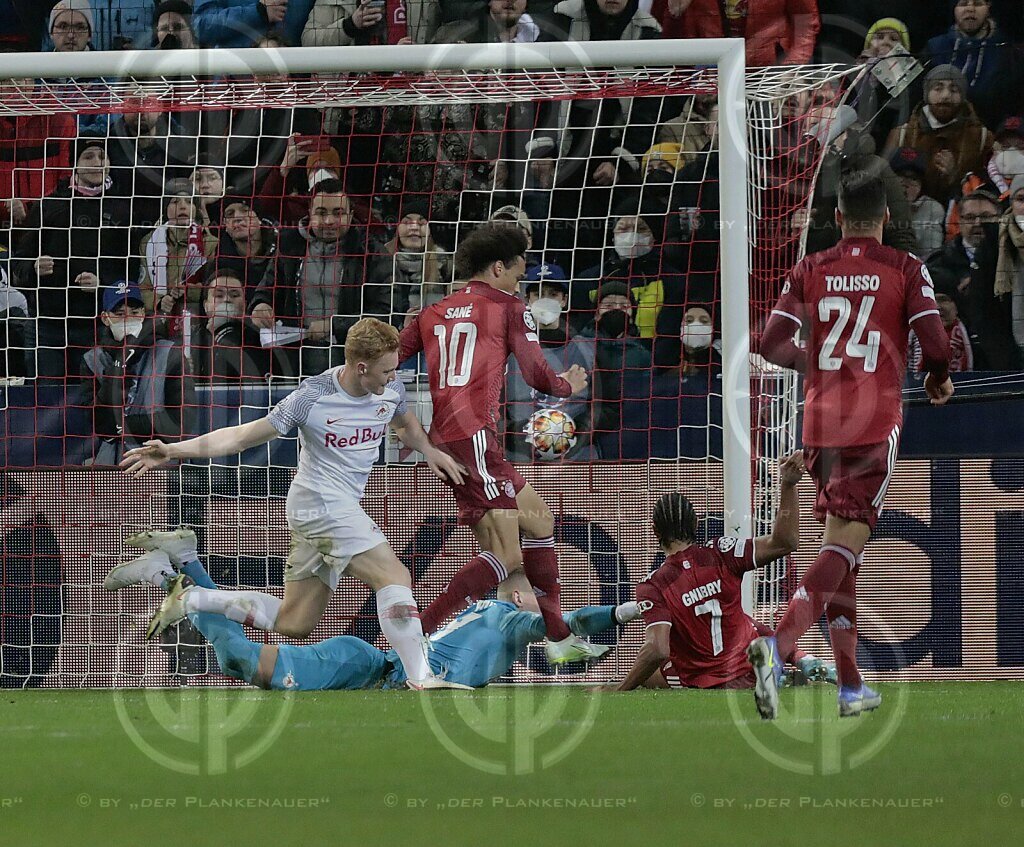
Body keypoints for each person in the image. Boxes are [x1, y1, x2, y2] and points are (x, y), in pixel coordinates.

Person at [119, 318, 470, 690]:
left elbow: (405, 424)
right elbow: (242, 436)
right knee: (395, 577)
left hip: (332, 509)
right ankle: (421, 677)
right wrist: (173, 449)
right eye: (385, 370)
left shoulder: (391, 386)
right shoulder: (312, 397)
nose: (393, 377)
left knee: (295, 621)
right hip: (319, 502)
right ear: (360, 366)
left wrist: (429, 450)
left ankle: (192, 598)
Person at [755, 170, 953, 719]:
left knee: (846, 560)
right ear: (887, 216)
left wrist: (816, 363)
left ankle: (849, 685)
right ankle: (776, 648)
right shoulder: (905, 268)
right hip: (872, 423)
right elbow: (936, 344)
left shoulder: (810, 267)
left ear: (837, 217)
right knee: (840, 549)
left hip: (818, 426)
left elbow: (771, 343)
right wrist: (937, 378)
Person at [398, 223, 605, 664]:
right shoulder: (510, 307)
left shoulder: (432, 312)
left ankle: (558, 637)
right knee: (507, 556)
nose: (520, 281)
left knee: (541, 522)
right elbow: (536, 373)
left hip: (450, 437)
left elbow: (389, 358)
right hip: (475, 437)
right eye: (518, 271)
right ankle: (414, 637)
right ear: (498, 267)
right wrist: (566, 385)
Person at [106, 535, 640, 690]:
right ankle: (181, 575)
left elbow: (568, 627)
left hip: (371, 668)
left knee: (242, 661)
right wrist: (621, 611)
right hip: (376, 671)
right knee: (246, 661)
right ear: (521, 595)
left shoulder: (486, 612)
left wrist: (614, 615)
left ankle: (181, 564)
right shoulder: (509, 618)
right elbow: (572, 625)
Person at [612, 454, 834, 690]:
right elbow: (785, 542)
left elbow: (657, 650)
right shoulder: (722, 551)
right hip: (747, 666)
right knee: (746, 623)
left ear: (655, 531)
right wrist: (788, 485)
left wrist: (618, 688)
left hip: (708, 683)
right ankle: (800, 660)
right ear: (696, 523)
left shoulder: (653, 585)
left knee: (648, 673)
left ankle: (790, 667)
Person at [10, 137, 133, 379]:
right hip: (47, 327)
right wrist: (33, 267)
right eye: (88, 156)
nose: (97, 162)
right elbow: (18, 262)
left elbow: (131, 270)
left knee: (93, 405)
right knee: (45, 402)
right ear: (73, 164)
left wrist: (103, 285)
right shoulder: (49, 206)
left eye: (102, 155)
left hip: (98, 326)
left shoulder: (123, 208)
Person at [249, 179, 392, 374]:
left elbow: (386, 313)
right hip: (296, 366)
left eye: (338, 213)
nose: (329, 221)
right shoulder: (289, 246)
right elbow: (267, 289)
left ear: (351, 216)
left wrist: (333, 326)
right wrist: (261, 305)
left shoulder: (372, 253)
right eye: (321, 212)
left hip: (356, 367)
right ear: (310, 213)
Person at [80, 281, 196, 464]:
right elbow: (98, 422)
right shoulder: (92, 360)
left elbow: (181, 420)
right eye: (119, 314)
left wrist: (121, 426)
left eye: (134, 312)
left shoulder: (171, 353)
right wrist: (120, 363)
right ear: (105, 318)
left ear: (143, 314)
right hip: (113, 462)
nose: (128, 319)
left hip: (163, 460)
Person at [884, 65, 993, 207]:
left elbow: (987, 191)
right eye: (938, 88)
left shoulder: (981, 138)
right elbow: (883, 182)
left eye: (954, 89)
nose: (946, 95)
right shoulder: (902, 134)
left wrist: (956, 176)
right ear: (926, 93)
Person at [924, 0, 1023, 130]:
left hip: (992, 136)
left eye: (977, 3)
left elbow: (1015, 104)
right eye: (963, 4)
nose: (970, 9)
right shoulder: (934, 47)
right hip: (936, 135)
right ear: (954, 10)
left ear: (988, 7)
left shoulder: (1007, 51)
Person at [677, 0, 820, 66]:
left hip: (769, 72)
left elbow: (805, 21)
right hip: (714, 75)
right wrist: (674, 14)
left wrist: (792, 65)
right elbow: (676, 43)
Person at [190, 266, 271, 382]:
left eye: (234, 295)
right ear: (206, 305)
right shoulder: (191, 339)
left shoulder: (259, 339)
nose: (227, 299)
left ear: (245, 305)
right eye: (219, 295)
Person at [891, 147, 946, 258]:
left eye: (913, 178)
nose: (905, 183)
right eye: (900, 176)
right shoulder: (877, 204)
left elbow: (931, 256)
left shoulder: (932, 209)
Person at [909, 292, 973, 374]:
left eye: (943, 300)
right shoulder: (911, 334)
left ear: (956, 307)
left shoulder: (973, 338)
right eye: (931, 300)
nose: (938, 306)